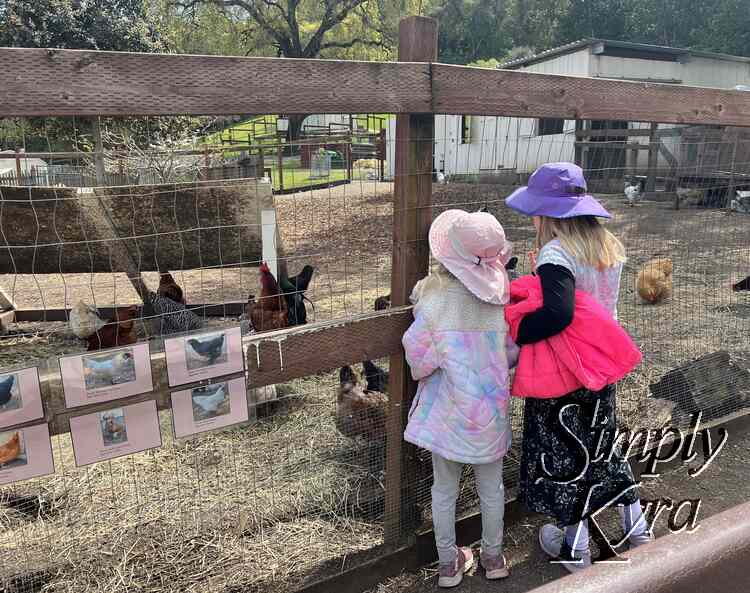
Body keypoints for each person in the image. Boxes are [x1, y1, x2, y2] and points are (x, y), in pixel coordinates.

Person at [505, 162, 652, 573]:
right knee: (602, 444)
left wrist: (518, 329)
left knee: (563, 453)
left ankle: (575, 545)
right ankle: (636, 526)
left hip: (564, 370)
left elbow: (558, 313)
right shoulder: (606, 246)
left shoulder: (556, 252)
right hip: (600, 366)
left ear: (547, 213)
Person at [402, 209, 518, 588]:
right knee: (492, 488)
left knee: (444, 489)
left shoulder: (436, 303)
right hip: (491, 413)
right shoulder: (500, 297)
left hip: (450, 415)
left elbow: (417, 360)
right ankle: (494, 556)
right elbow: (512, 353)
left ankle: (449, 564)